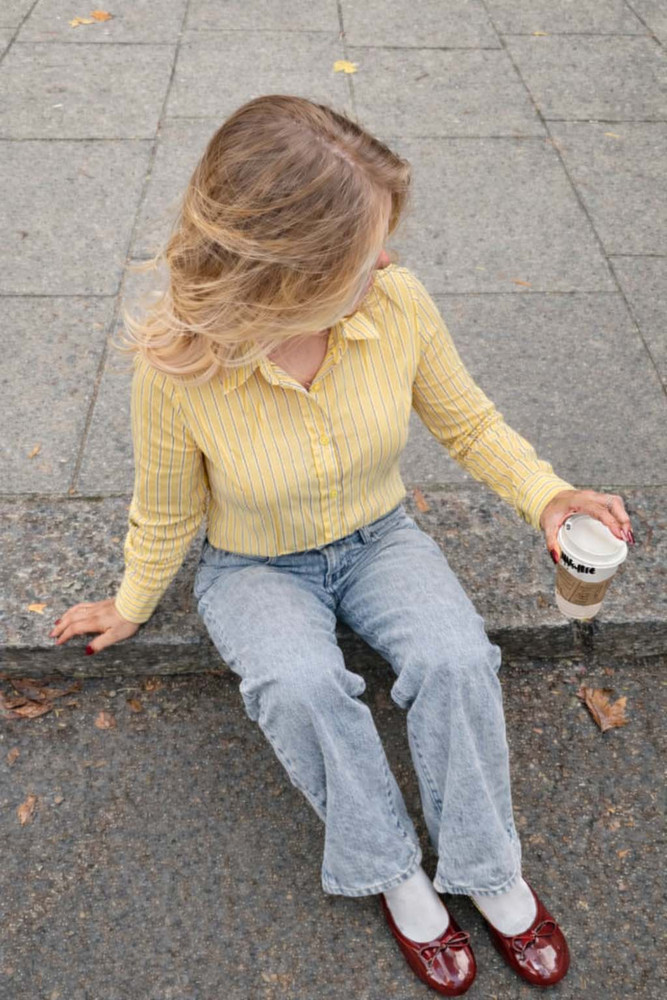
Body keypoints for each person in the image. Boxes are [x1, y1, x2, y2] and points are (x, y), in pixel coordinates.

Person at [49, 95, 635, 995]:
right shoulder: (178, 368)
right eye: (366, 254)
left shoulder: (396, 305)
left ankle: (486, 867)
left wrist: (547, 495)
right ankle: (391, 867)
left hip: (379, 538)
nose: (389, 261)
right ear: (292, 275)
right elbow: (164, 509)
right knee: (298, 684)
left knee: (454, 660)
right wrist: (131, 603)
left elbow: (469, 425)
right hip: (253, 565)